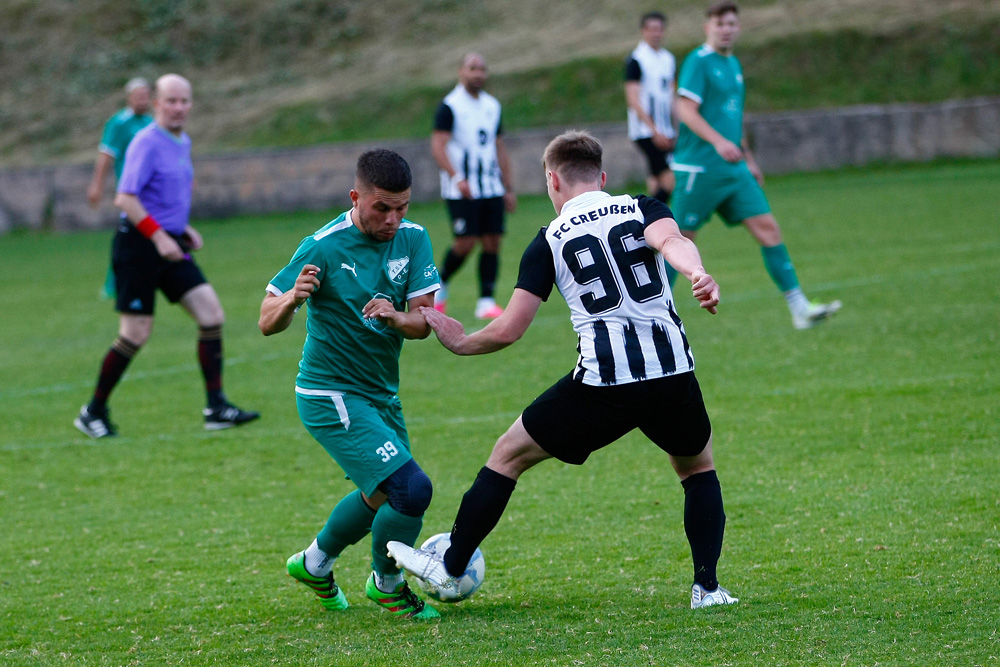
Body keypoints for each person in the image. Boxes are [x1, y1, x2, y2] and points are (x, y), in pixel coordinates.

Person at [388, 130, 739, 610]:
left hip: (603, 384)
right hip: (672, 372)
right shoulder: (641, 207)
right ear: (603, 177)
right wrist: (696, 273)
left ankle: (450, 567)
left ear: (552, 180)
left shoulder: (549, 240)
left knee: (508, 457)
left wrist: (460, 340)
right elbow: (671, 241)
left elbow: (509, 329)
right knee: (698, 469)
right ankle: (708, 588)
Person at [259, 149, 442, 620]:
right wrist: (291, 301)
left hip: (380, 393)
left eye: (402, 207)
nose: (393, 218)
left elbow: (423, 323)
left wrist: (396, 315)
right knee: (411, 490)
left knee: (383, 495)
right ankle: (387, 584)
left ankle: (314, 563)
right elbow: (266, 321)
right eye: (382, 207)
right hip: (329, 393)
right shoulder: (322, 246)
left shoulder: (413, 238)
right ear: (355, 196)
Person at [73, 74, 259, 439]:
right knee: (135, 333)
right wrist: (159, 235)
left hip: (170, 242)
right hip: (139, 246)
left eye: (184, 101)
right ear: (156, 104)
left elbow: (165, 194)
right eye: (170, 101)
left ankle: (216, 407)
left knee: (211, 314)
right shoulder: (145, 142)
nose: (178, 108)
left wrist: (181, 228)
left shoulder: (182, 140)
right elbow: (125, 197)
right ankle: (92, 412)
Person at [670, 0, 841, 330]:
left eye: (732, 23)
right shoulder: (699, 61)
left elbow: (731, 117)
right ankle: (650, 313)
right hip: (700, 169)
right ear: (708, 27)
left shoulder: (732, 63)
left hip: (734, 170)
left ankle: (799, 308)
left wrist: (748, 159)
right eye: (720, 24)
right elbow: (685, 110)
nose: (726, 29)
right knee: (678, 242)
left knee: (769, 230)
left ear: (738, 28)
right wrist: (719, 142)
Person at [431, 52, 517, 320]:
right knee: (465, 243)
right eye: (472, 68)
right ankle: (440, 285)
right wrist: (457, 178)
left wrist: (508, 186)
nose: (478, 73)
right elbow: (438, 146)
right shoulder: (450, 106)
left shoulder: (492, 105)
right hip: (462, 188)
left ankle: (486, 302)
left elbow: (498, 146)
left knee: (493, 241)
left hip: (490, 186)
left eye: (482, 69)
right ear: (461, 71)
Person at [87, 78, 154, 299]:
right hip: (130, 192)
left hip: (152, 190)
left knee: (148, 233)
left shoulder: (151, 122)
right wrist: (96, 186)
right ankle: (112, 284)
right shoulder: (119, 123)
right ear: (129, 98)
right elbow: (106, 156)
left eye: (146, 96)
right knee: (129, 234)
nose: (142, 100)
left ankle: (150, 278)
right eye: (138, 96)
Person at [625, 11, 677, 204]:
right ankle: (645, 222)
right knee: (671, 180)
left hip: (666, 130)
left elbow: (672, 97)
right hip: (645, 131)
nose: (656, 33)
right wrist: (655, 131)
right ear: (643, 31)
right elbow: (633, 99)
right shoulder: (636, 60)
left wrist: (675, 128)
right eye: (652, 29)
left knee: (657, 183)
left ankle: (649, 228)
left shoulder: (667, 59)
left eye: (660, 29)